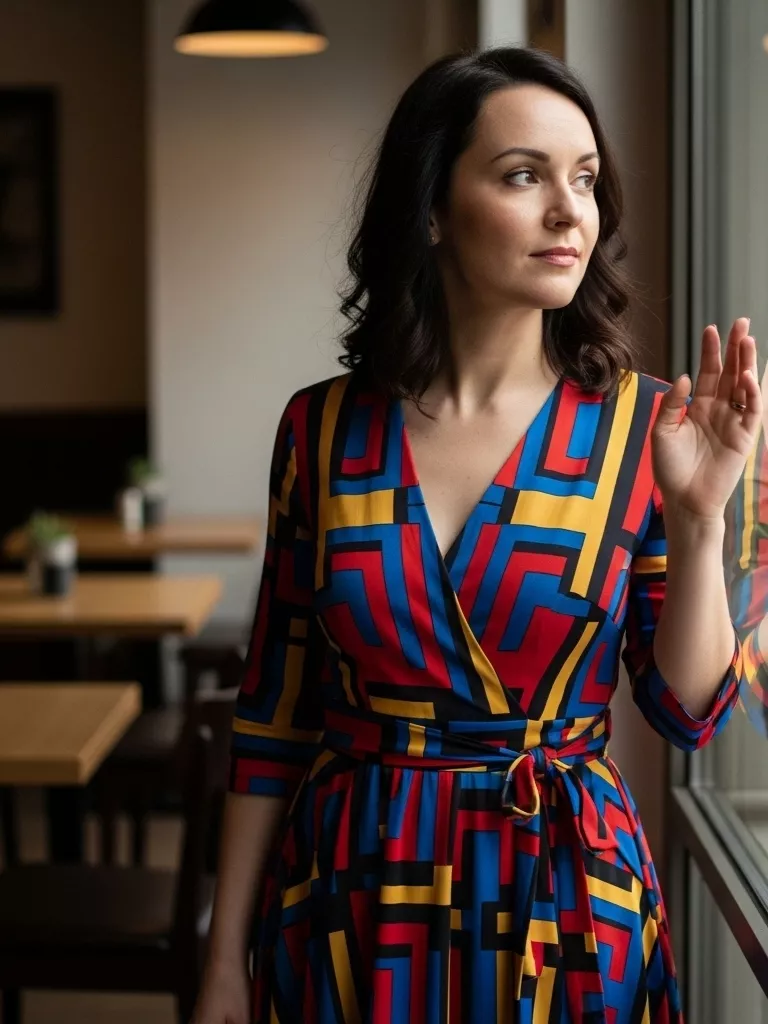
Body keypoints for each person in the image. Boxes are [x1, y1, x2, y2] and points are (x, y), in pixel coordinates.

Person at [191, 46, 762, 1024]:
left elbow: (686, 709)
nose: (569, 211)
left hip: (567, 907)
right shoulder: (322, 430)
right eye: (524, 175)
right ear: (431, 208)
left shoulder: (646, 428)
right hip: (352, 900)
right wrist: (220, 962)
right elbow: (273, 715)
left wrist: (701, 517)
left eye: (585, 178)